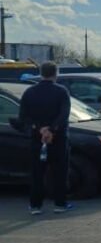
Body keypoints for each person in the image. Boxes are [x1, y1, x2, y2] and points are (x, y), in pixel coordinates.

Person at [11, 61, 72, 214]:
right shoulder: (62, 91)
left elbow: (23, 117)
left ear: (40, 73)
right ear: (56, 73)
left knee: (37, 173)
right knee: (59, 172)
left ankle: (35, 205)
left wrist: (40, 129)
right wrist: (51, 129)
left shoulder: (29, 92)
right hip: (58, 139)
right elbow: (64, 115)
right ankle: (60, 204)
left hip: (37, 138)